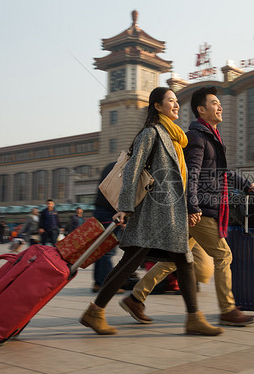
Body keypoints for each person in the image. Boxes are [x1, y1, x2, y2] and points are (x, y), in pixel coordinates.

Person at [80, 87, 223, 336]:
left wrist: (189, 206)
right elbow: (133, 170)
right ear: (157, 106)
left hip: (171, 213)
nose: (176, 105)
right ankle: (94, 312)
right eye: (171, 101)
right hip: (152, 213)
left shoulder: (176, 138)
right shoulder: (151, 132)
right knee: (129, 263)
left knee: (184, 261)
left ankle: (193, 317)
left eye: (177, 101)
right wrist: (125, 207)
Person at [91, 161, 124, 294]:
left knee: (100, 248)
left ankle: (98, 283)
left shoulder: (110, 166)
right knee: (107, 249)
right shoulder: (124, 168)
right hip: (110, 212)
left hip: (101, 209)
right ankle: (107, 283)